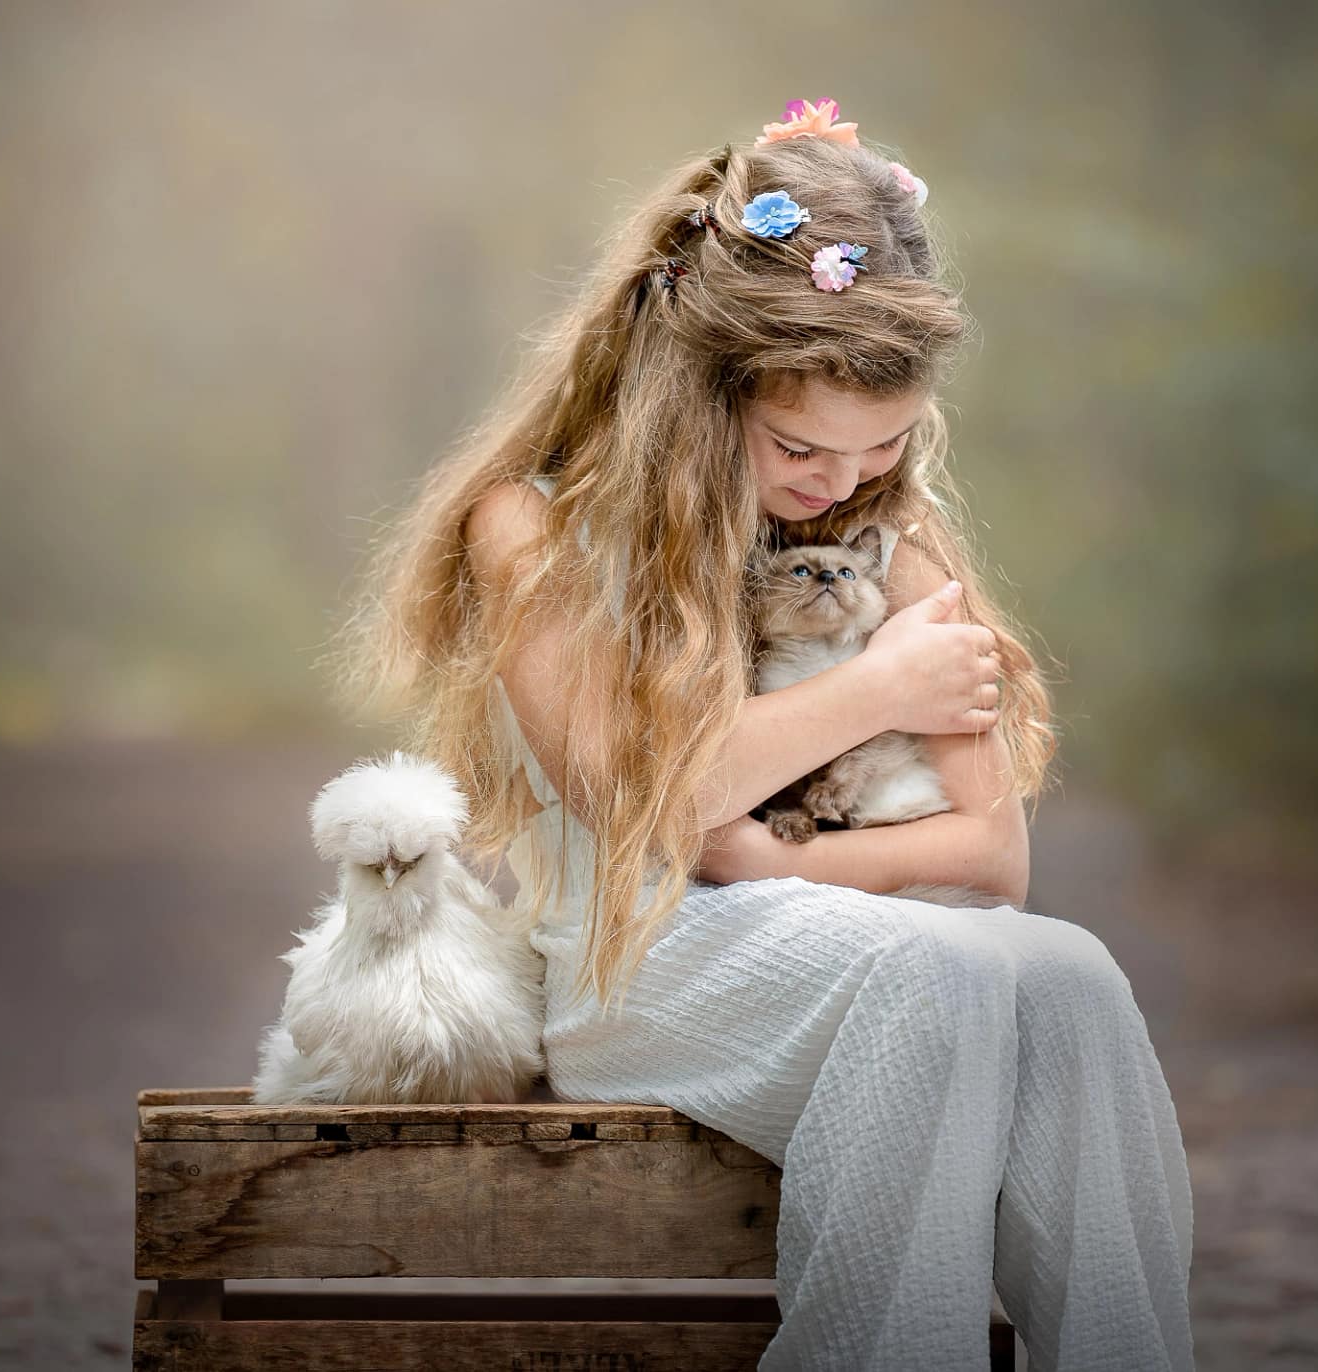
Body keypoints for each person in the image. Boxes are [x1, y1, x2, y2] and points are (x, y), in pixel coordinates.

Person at [330, 98, 1195, 1372]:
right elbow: (648, 806)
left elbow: (994, 860)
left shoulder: (879, 534)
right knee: (940, 973)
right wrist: (877, 685)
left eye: (884, 445)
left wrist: (776, 864)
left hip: (853, 950)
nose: (841, 482)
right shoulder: (530, 526)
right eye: (799, 444)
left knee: (1064, 970)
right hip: (637, 975)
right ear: (700, 392)